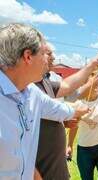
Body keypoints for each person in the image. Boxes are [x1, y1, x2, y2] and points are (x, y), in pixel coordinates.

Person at [0, 23, 89, 180]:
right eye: (43, 54)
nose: (48, 60)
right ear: (28, 56)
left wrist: (78, 109)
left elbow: (58, 109)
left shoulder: (31, 92)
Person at [34, 44, 98, 180]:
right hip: (40, 168)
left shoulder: (47, 81)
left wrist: (95, 69)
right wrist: (73, 111)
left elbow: (71, 89)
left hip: (56, 165)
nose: (53, 57)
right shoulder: (28, 87)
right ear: (29, 56)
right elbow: (51, 107)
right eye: (48, 53)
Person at [67, 60, 98, 180]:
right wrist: (69, 146)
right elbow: (74, 125)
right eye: (93, 83)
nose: (97, 86)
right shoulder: (78, 103)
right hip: (84, 149)